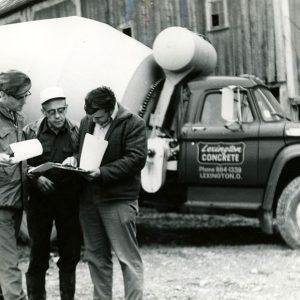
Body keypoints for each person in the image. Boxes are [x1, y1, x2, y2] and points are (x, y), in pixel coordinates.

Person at [63, 86, 147, 300]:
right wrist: (74, 158)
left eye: (99, 117)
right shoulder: (87, 121)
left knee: (127, 259)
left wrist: (102, 172)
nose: (95, 121)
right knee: (96, 258)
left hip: (118, 200)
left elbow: (136, 159)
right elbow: (80, 150)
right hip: (89, 200)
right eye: (91, 116)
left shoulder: (133, 123)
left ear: (111, 109)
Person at [23, 87, 81, 300]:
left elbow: (86, 154)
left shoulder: (77, 130)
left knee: (70, 253)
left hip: (69, 201)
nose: (58, 116)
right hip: (39, 202)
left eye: (61, 110)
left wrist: (75, 158)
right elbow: (23, 164)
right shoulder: (31, 131)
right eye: (51, 112)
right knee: (38, 253)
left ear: (66, 108)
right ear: (43, 111)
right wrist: (36, 178)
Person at [0, 69, 31, 300]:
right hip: (1, 200)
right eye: (20, 96)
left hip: (16, 197)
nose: (24, 100)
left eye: (26, 95)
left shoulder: (17, 117)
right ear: (3, 94)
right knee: (9, 260)